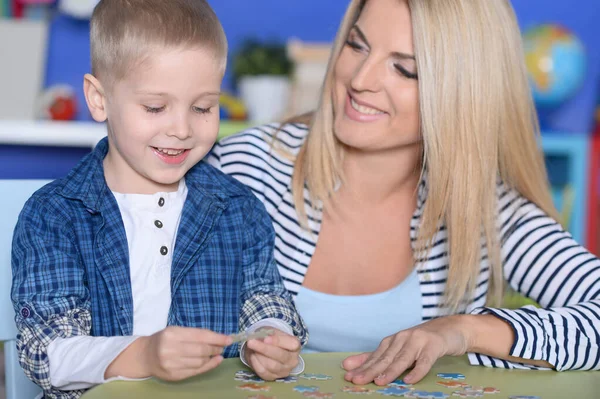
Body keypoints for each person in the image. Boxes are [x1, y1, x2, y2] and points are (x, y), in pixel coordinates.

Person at [207, 0, 600, 387]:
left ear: (463, 94)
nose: (361, 79)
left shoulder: (487, 212)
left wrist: (463, 330)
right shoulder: (245, 168)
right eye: (356, 45)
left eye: (404, 69)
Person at [11, 1, 307, 398]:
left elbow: (264, 298)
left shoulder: (237, 208)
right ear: (99, 99)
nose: (182, 128)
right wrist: (144, 355)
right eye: (155, 107)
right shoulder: (54, 215)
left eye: (203, 107)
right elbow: (46, 352)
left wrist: (270, 338)